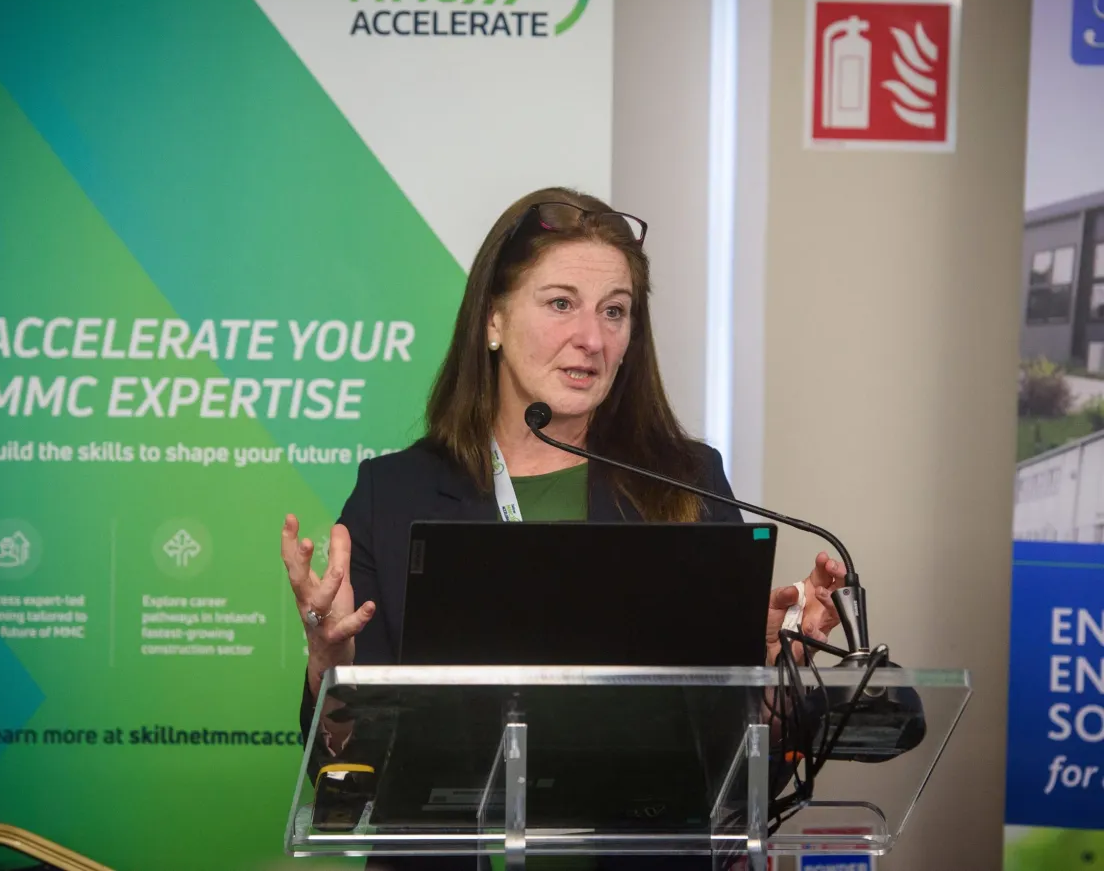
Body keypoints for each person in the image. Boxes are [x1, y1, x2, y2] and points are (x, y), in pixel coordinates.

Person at [281, 187, 845, 869]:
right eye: (560, 304)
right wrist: (330, 670)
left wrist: (773, 680)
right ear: (492, 319)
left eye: (615, 311)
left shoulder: (686, 484)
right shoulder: (392, 494)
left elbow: (736, 787)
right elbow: (347, 776)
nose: (593, 338)